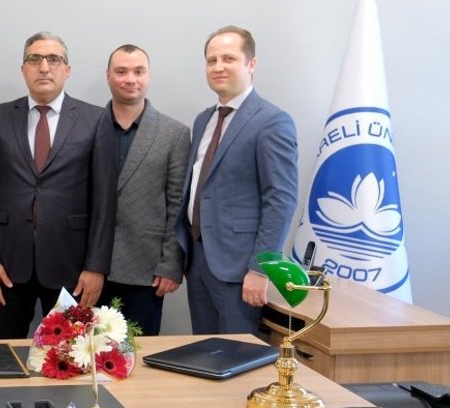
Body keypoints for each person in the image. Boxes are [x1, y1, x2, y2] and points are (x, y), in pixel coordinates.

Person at [0, 32, 118, 339]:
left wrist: (96, 267)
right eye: (34, 59)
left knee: (71, 357)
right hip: (6, 267)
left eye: (53, 59)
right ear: (23, 69)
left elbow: (105, 203)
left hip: (73, 267)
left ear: (67, 69)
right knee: (2, 353)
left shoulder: (95, 119)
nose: (44, 67)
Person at [176, 26, 299, 334]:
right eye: (212, 60)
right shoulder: (203, 120)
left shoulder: (272, 122)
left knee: (237, 355)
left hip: (241, 268)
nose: (218, 67)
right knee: (204, 352)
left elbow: (281, 200)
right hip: (199, 260)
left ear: (251, 64)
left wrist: (261, 268)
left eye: (228, 58)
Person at [98, 45, 191, 336]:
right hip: (91, 268)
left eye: (138, 71)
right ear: (108, 76)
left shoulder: (174, 134)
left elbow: (177, 204)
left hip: (146, 270)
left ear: (148, 76)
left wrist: (171, 264)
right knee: (87, 351)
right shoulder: (87, 126)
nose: (130, 79)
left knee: (138, 351)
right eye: (121, 71)